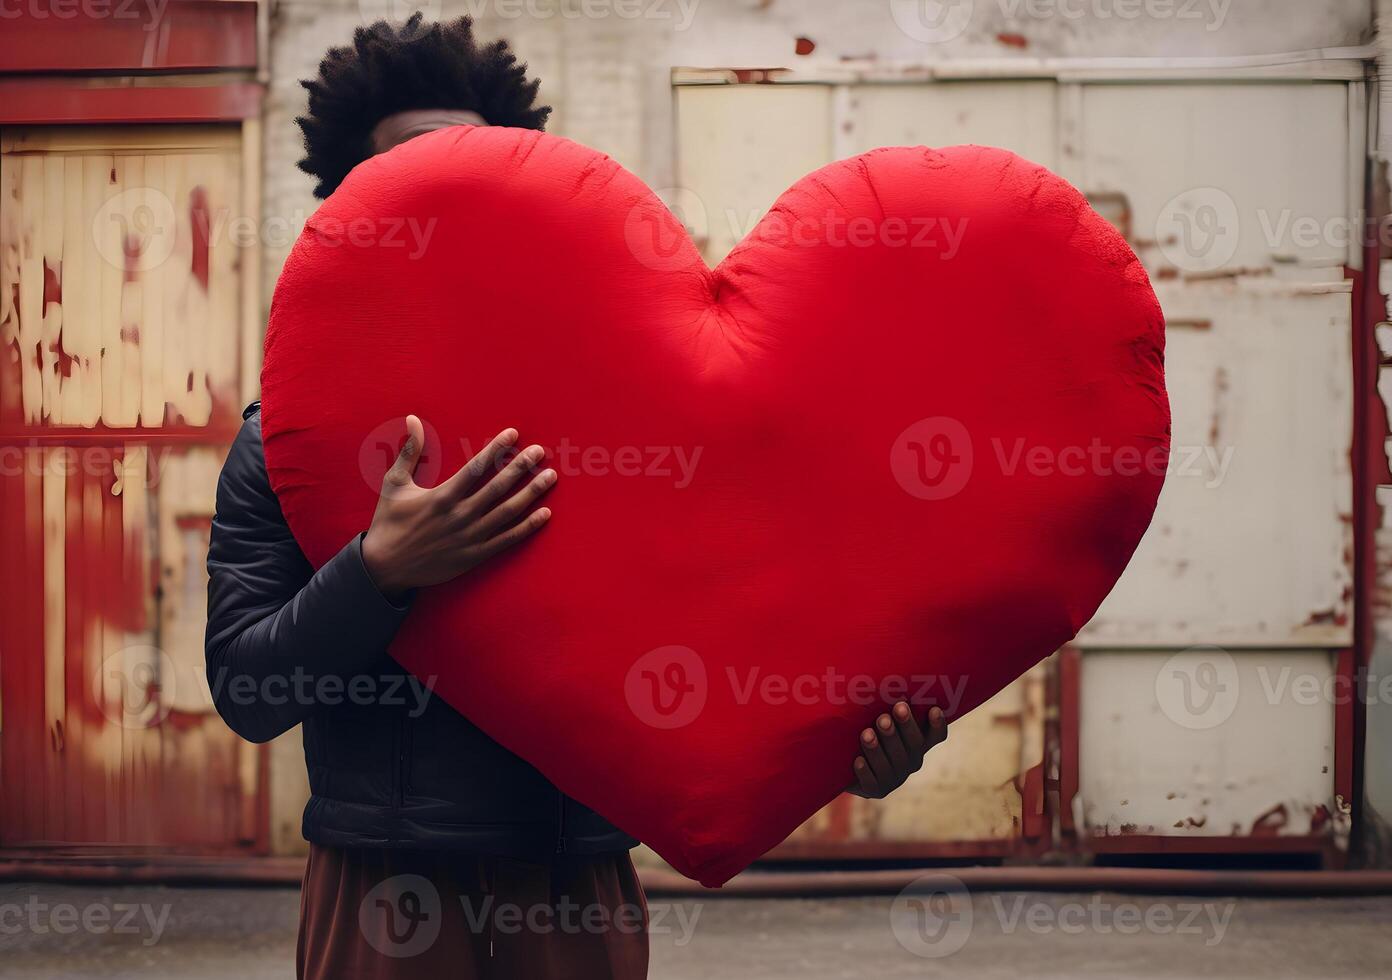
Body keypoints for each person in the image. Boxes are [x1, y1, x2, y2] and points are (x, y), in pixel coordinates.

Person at [205, 16, 947, 979]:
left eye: (479, 171)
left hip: (571, 884)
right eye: (417, 178)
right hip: (378, 885)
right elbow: (247, 691)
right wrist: (377, 572)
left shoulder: (625, 429)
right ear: (351, 208)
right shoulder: (287, 439)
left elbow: (728, 633)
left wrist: (852, 743)